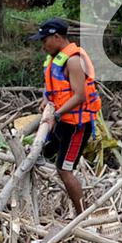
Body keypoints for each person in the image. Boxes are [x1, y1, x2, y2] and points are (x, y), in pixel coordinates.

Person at [29, 18, 102, 214]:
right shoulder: (56, 57)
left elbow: (80, 96)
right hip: (61, 121)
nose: (43, 45)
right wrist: (46, 98)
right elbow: (53, 83)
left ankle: (82, 215)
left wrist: (56, 115)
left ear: (57, 37)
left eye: (45, 41)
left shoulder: (73, 60)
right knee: (40, 153)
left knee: (64, 170)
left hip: (76, 126)